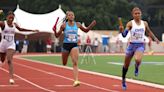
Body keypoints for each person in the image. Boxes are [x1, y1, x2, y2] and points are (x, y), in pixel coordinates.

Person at [119, 7, 159, 90]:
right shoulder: (130, 23)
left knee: (137, 59)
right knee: (126, 65)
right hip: (131, 45)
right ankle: (123, 80)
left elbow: (149, 31)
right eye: (135, 13)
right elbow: (124, 35)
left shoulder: (144, 23)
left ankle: (137, 67)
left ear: (141, 14)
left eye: (139, 13)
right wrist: (122, 31)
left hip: (140, 45)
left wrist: (155, 38)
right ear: (133, 15)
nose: (137, 15)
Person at [53, 11, 96, 87]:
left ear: (74, 16)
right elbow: (57, 36)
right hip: (66, 45)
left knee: (75, 62)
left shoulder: (78, 24)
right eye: (69, 15)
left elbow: (85, 30)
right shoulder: (64, 26)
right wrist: (54, 31)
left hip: (74, 45)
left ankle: (76, 80)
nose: (71, 16)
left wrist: (91, 25)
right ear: (67, 17)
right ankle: (67, 59)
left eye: (72, 15)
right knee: (64, 63)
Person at [0, 11, 38, 84]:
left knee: (9, 60)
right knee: (2, 61)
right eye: (10, 17)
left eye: (12, 18)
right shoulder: (3, 24)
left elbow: (21, 29)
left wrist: (32, 30)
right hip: (2, 44)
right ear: (7, 17)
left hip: (11, 45)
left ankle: (11, 78)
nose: (11, 19)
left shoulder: (14, 25)